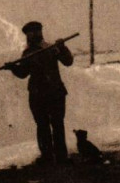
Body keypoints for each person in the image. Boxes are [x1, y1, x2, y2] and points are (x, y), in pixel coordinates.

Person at [11, 21, 74, 166]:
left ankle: (61, 157)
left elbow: (68, 61)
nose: (31, 35)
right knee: (42, 125)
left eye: (34, 32)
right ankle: (47, 157)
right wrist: (13, 67)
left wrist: (63, 48)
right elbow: (23, 73)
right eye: (29, 33)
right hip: (37, 95)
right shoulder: (27, 53)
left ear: (40, 32)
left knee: (57, 124)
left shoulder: (52, 48)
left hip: (55, 93)